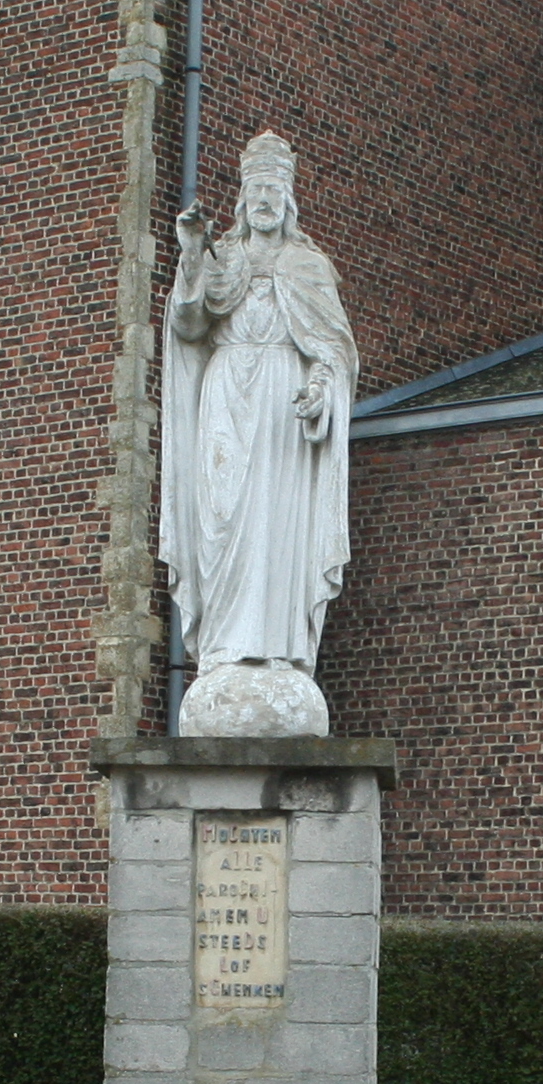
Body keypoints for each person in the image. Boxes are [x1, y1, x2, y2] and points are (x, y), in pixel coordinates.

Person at [160, 132, 357, 721]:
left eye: (275, 189)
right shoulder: (223, 259)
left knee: (276, 524)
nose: (265, 200)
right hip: (225, 401)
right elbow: (189, 325)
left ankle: (277, 651)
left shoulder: (307, 266)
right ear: (243, 200)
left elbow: (333, 349)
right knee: (220, 521)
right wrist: (190, 254)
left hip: (281, 411)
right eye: (257, 190)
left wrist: (321, 389)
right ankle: (223, 648)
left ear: (288, 199)